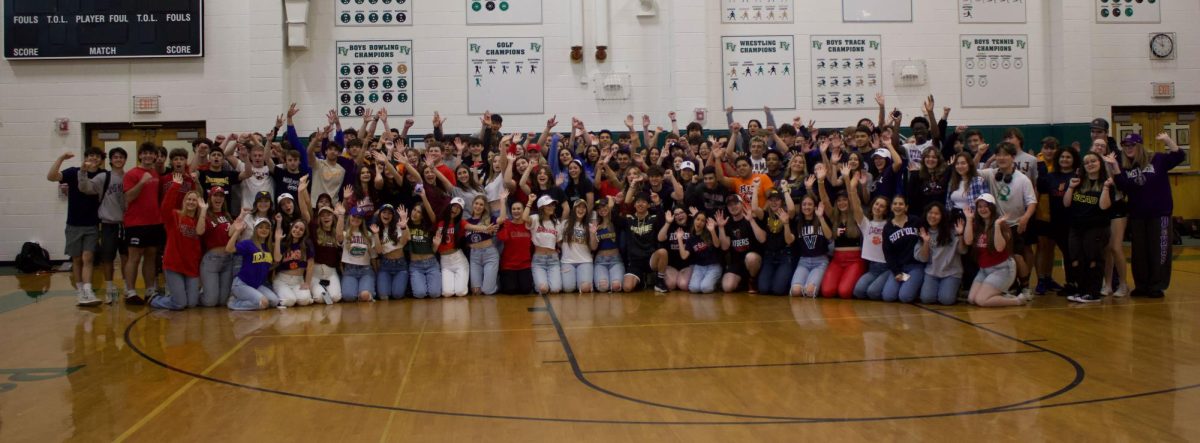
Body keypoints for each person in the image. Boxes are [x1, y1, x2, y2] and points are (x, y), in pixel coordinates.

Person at [1112, 132, 1185, 298]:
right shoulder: (1124, 165)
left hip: (1160, 213)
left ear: (1139, 145)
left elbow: (1179, 156)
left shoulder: (1157, 159)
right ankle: (1142, 285)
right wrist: (1116, 169)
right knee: (1139, 252)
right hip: (1137, 214)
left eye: (1132, 145)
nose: (1129, 148)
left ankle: (1156, 285)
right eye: (1126, 146)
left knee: (1159, 250)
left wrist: (1167, 140)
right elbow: (1123, 185)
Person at [979, 142, 1037, 296]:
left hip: (1015, 224)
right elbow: (971, 170)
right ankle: (1009, 285)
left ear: (1013, 157)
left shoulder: (1023, 179)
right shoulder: (991, 174)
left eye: (1005, 155)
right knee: (1002, 258)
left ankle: (1025, 286)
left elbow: (1032, 202)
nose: (1002, 158)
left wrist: (1025, 218)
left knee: (1017, 256)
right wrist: (982, 156)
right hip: (997, 226)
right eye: (999, 155)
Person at [49, 149, 103, 306]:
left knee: (88, 257)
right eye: (91, 155)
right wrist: (61, 158)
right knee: (77, 259)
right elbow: (51, 177)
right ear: (86, 158)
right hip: (73, 223)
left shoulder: (102, 175)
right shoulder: (73, 172)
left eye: (97, 156)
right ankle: (79, 290)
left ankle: (88, 290)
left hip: (92, 223)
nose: (94, 158)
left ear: (101, 160)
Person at [78, 148, 128, 304]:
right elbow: (85, 188)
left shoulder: (129, 177)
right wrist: (83, 173)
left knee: (126, 257)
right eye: (115, 157)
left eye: (121, 157)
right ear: (111, 160)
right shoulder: (103, 176)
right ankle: (110, 288)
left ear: (125, 160)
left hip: (127, 224)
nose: (118, 159)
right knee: (108, 258)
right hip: (108, 224)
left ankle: (128, 287)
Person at [1063, 152, 1113, 303]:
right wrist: (1070, 188)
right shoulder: (1078, 182)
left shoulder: (1106, 183)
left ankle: (1093, 292)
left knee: (1093, 259)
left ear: (1100, 163)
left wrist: (1105, 188)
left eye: (1093, 161)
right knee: (1076, 259)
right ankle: (1081, 290)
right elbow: (1066, 203)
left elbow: (1104, 206)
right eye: (1087, 162)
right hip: (1076, 227)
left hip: (1096, 227)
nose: (1090, 164)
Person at [963, 195, 1031, 307]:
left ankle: (1018, 301)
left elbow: (999, 248)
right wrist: (969, 219)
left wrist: (996, 226)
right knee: (971, 299)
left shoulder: (1001, 224)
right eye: (980, 207)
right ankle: (1001, 295)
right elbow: (968, 241)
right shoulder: (977, 225)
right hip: (984, 270)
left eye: (986, 206)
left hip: (1002, 269)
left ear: (992, 207)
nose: (982, 209)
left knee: (981, 300)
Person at [122, 143, 164, 304]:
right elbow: (128, 198)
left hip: (154, 222)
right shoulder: (132, 174)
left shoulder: (155, 173)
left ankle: (149, 290)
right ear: (140, 155)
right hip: (136, 223)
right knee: (134, 257)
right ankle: (131, 291)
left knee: (151, 257)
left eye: (151, 154)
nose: (148, 156)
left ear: (155, 156)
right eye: (144, 153)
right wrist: (141, 182)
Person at [1089, 138, 1129, 297]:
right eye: (1096, 145)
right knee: (1105, 249)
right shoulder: (1089, 163)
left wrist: (1114, 167)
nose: (1099, 147)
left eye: (1102, 145)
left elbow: (1121, 184)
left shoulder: (1111, 162)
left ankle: (1123, 284)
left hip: (1117, 207)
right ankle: (1108, 284)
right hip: (1100, 208)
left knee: (1115, 247)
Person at [1037, 147, 1079, 296]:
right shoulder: (1052, 176)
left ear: (1074, 159)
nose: (1065, 160)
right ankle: (1070, 283)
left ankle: (1077, 283)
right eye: (1062, 157)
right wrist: (1041, 168)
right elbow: (1041, 187)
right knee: (1066, 254)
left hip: (1074, 222)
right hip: (1057, 222)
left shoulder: (1078, 175)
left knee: (1073, 253)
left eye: (1068, 157)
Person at [818, 166, 864, 299]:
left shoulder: (857, 216)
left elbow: (853, 198)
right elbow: (825, 201)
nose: (842, 203)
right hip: (837, 259)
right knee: (827, 292)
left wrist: (846, 178)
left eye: (845, 200)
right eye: (839, 201)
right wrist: (821, 181)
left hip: (855, 260)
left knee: (844, 292)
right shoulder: (834, 217)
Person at [226, 216, 279, 310]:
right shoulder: (248, 243)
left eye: (267, 228)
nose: (264, 230)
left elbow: (273, 263)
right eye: (261, 227)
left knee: (274, 301)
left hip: (256, 285)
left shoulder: (269, 247)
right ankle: (233, 302)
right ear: (255, 229)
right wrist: (237, 231)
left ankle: (252, 299)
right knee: (263, 303)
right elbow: (229, 249)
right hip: (242, 284)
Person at [716, 195, 765, 293]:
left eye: (736, 204)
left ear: (742, 204)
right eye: (730, 205)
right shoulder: (727, 223)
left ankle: (752, 280)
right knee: (727, 287)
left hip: (753, 261)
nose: (733, 207)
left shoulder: (751, 217)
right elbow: (725, 247)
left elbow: (762, 239)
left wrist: (751, 221)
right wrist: (721, 228)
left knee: (751, 258)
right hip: (737, 262)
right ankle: (742, 282)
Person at [616, 193, 664, 292]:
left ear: (648, 205)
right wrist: (617, 204)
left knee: (663, 252)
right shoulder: (629, 219)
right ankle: (641, 280)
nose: (640, 204)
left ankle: (660, 282)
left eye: (644, 202)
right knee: (627, 288)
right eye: (638, 202)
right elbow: (615, 220)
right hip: (635, 262)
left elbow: (663, 222)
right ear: (634, 205)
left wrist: (658, 204)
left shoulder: (654, 218)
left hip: (650, 259)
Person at [916, 203, 962, 305]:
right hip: (932, 273)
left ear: (942, 216)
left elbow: (963, 251)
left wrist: (960, 235)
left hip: (951, 272)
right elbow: (923, 259)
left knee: (946, 300)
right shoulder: (923, 231)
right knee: (927, 299)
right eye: (930, 213)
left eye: (936, 214)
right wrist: (926, 242)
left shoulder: (952, 230)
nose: (933, 216)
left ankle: (955, 289)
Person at [880, 196, 924, 302]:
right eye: (895, 204)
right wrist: (896, 272)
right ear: (891, 207)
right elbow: (888, 253)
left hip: (915, 266)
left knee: (905, 297)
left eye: (901, 204)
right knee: (888, 296)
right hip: (899, 268)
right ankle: (908, 283)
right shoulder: (887, 227)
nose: (897, 206)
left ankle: (917, 285)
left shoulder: (916, 221)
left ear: (906, 207)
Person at [789, 195, 833, 298]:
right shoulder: (797, 222)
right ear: (800, 207)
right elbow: (790, 241)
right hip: (803, 261)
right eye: (804, 204)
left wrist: (821, 217)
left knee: (809, 291)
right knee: (796, 291)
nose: (807, 207)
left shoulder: (821, 218)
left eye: (810, 204)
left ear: (814, 207)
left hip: (820, 261)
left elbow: (829, 236)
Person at [753, 189, 795, 295]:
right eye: (771, 200)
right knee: (763, 289)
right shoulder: (765, 215)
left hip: (784, 256)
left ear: (782, 202)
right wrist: (755, 188)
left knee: (778, 290)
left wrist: (785, 191)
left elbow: (792, 209)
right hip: (769, 256)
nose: (774, 202)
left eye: (777, 200)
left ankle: (786, 278)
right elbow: (754, 208)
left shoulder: (786, 215)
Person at [200, 187, 236, 307]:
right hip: (211, 259)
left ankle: (208, 290)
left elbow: (231, 234)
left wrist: (241, 216)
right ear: (210, 198)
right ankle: (195, 295)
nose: (218, 198)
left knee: (222, 301)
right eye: (216, 195)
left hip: (227, 259)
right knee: (211, 302)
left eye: (221, 196)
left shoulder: (226, 215)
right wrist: (203, 211)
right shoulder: (206, 215)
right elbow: (199, 232)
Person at [407, 187, 442, 298]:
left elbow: (432, 216)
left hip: (431, 263)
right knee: (420, 294)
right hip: (415, 266)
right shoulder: (406, 225)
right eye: (414, 210)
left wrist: (423, 196)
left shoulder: (428, 226)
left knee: (435, 294)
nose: (415, 213)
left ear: (423, 216)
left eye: (419, 212)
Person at [497, 190, 534, 295]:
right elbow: (501, 219)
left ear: (523, 210)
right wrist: (502, 201)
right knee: (510, 291)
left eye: (518, 209)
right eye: (513, 209)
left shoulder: (528, 225)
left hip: (525, 265)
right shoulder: (507, 224)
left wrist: (529, 202)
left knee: (526, 290)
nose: (516, 211)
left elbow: (526, 217)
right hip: (508, 265)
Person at [338, 206, 377, 302]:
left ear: (362, 220)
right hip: (350, 270)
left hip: (366, 271)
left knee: (364, 295)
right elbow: (338, 236)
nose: (356, 219)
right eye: (354, 216)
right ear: (350, 217)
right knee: (348, 297)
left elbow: (373, 256)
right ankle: (358, 293)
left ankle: (365, 293)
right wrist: (341, 215)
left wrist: (377, 272)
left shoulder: (368, 234)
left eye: (359, 217)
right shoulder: (344, 234)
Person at [273, 218, 315, 307]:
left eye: (301, 229)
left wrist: (307, 283)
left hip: (298, 281)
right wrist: (277, 240)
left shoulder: (307, 244)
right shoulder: (284, 243)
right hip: (282, 280)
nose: (297, 230)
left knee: (305, 300)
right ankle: (282, 298)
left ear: (304, 233)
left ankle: (289, 296)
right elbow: (277, 259)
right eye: (296, 227)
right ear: (291, 227)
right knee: (289, 301)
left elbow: (310, 265)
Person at [434, 197, 470, 297]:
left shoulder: (460, 223)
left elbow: (472, 227)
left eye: (459, 208)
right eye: (454, 206)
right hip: (445, 262)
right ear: (449, 207)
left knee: (460, 292)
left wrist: (486, 228)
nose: (456, 209)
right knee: (447, 293)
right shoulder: (440, 223)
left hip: (459, 260)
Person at [529, 195, 565, 295]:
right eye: (548, 205)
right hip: (539, 260)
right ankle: (538, 282)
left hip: (553, 260)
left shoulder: (556, 222)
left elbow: (559, 243)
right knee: (543, 289)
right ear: (541, 207)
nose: (552, 207)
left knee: (556, 289)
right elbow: (524, 218)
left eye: (553, 205)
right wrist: (530, 202)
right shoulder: (535, 218)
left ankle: (543, 280)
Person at [464, 196, 500, 295]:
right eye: (476, 203)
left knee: (487, 291)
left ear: (484, 207)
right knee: (476, 291)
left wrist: (503, 201)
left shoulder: (489, 219)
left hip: (489, 254)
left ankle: (494, 284)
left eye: (481, 204)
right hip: (474, 256)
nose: (478, 206)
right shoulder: (466, 222)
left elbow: (501, 219)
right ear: (472, 205)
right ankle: (490, 282)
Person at [678, 212, 722, 293]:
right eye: (698, 219)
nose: (699, 222)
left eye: (702, 221)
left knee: (705, 288)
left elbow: (717, 245)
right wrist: (679, 239)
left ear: (705, 223)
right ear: (694, 220)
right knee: (694, 288)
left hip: (713, 266)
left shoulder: (709, 232)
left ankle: (716, 282)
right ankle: (708, 281)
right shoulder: (690, 239)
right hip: (699, 267)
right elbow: (684, 256)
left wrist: (712, 231)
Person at [590, 197, 624, 293]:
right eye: (599, 208)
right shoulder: (596, 225)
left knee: (616, 286)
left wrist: (612, 204)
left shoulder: (616, 222)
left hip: (616, 260)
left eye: (604, 206)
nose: (602, 209)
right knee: (603, 287)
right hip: (600, 261)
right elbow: (593, 247)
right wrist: (593, 233)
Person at [656, 207, 694, 292]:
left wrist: (695, 217)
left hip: (687, 265)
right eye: (676, 214)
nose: (679, 215)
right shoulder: (671, 227)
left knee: (683, 285)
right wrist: (667, 222)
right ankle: (676, 277)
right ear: (674, 217)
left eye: (681, 212)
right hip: (672, 265)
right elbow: (660, 238)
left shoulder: (692, 226)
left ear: (686, 214)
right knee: (671, 284)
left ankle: (680, 278)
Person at [561, 200, 594, 293]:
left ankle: (582, 281)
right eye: (578, 207)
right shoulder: (565, 224)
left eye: (584, 207)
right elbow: (559, 242)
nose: (581, 209)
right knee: (568, 289)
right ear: (574, 209)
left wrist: (593, 234)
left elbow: (594, 247)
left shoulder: (590, 226)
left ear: (586, 211)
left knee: (585, 288)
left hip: (585, 261)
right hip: (567, 262)